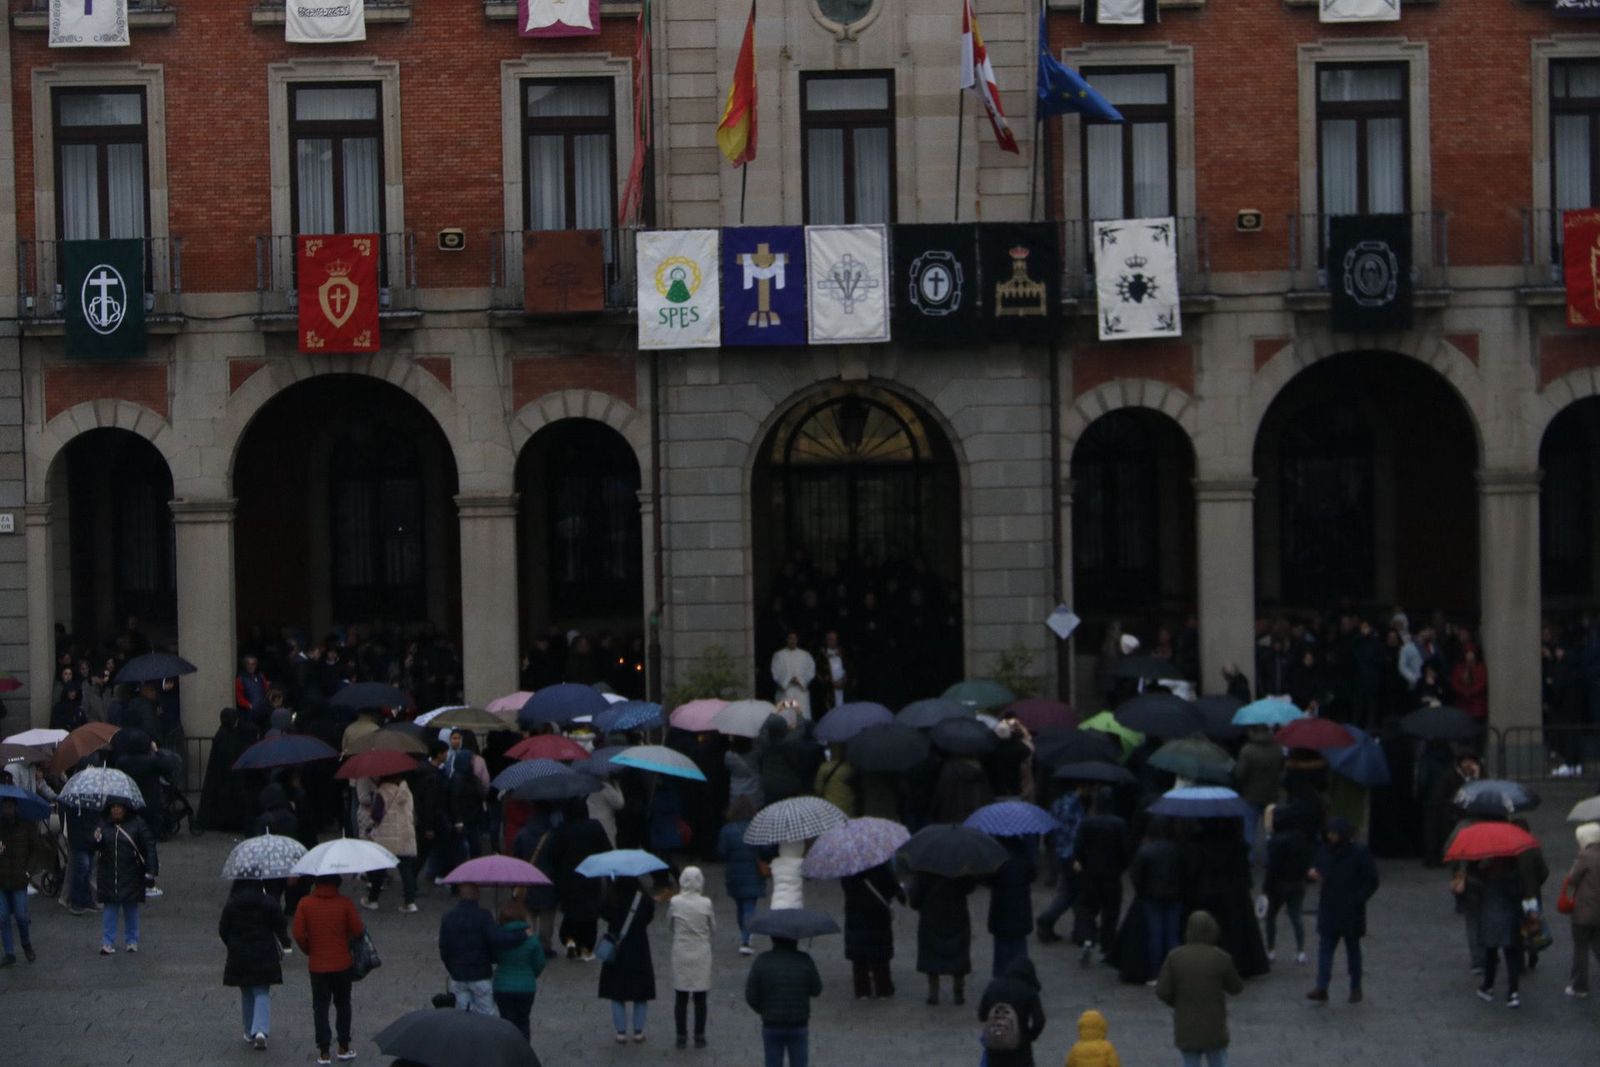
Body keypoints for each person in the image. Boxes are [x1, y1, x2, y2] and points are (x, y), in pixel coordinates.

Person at [1305, 816, 1379, 1004]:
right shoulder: (1325, 850)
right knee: (1326, 948)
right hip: (1330, 906)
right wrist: (1314, 873)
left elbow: (1371, 880)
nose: (1331, 836)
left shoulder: (1359, 852)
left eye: (1334, 833)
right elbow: (1318, 868)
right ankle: (1322, 986)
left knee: (1352, 949)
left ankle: (1355, 986)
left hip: (1350, 909)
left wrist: (1357, 899)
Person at [291, 874, 364, 1065]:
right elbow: (358, 930)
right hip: (342, 963)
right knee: (343, 1004)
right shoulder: (345, 903)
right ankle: (344, 1047)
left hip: (318, 964)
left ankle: (324, 1051)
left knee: (320, 1006)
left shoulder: (305, 903)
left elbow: (298, 933)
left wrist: (309, 948)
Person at [1155, 911, 1244, 1067]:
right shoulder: (1221, 957)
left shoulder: (1174, 957)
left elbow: (1162, 991)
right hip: (1215, 1027)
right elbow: (1236, 988)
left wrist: (1177, 1002)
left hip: (1186, 1027)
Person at [218, 878, 293, 1050]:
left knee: (246, 991)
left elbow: (223, 929)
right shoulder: (268, 902)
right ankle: (260, 1029)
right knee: (261, 991)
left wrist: (232, 944)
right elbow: (280, 924)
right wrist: (286, 943)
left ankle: (249, 1030)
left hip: (239, 954)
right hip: (264, 952)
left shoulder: (232, 903)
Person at [440, 881, 530, 1015]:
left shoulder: (448, 917)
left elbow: (444, 948)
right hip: (480, 974)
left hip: (458, 975)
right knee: (487, 1017)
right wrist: (522, 934)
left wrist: (452, 968)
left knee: (460, 1017)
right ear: (477, 894)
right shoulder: (483, 916)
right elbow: (498, 939)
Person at [1071, 787, 1133, 964]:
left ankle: (1088, 937)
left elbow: (1078, 849)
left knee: (1086, 908)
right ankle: (1108, 947)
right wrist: (1119, 868)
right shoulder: (1119, 824)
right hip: (1111, 875)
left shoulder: (1087, 823)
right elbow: (1124, 852)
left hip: (1090, 874)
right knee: (1111, 911)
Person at [745, 934, 823, 1067]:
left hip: (771, 1023)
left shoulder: (763, 960)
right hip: (798, 1023)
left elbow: (751, 995)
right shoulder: (804, 960)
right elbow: (816, 990)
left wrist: (763, 1010)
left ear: (773, 939)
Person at [1263, 788, 1319, 964]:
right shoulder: (1301, 837)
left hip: (1278, 884)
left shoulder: (1276, 842)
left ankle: (1271, 950)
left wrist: (1266, 887)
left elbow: (1272, 867)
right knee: (1296, 916)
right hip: (1297, 882)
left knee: (1271, 917)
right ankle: (1300, 951)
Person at [94, 798, 157, 955]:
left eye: (119, 807)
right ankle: (107, 942)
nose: (115, 810)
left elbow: (149, 846)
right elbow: (96, 846)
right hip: (110, 874)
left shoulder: (137, 824)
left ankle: (132, 940)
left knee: (130, 907)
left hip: (131, 873)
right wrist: (96, 839)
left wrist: (151, 870)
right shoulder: (103, 825)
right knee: (110, 908)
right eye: (113, 807)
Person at [598, 877, 657, 1043]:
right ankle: (638, 1031)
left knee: (616, 992)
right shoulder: (642, 898)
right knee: (641, 992)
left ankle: (621, 1032)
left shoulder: (612, 896)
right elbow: (649, 916)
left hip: (617, 949)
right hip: (639, 949)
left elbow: (603, 912)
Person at [908, 872, 975, 1005]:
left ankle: (933, 992)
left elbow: (914, 901)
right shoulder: (960, 869)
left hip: (931, 917)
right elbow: (970, 887)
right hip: (957, 916)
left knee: (931, 954)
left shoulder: (925, 872)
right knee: (958, 953)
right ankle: (958, 991)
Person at [842, 859, 904, 999]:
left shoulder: (847, 869)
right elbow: (891, 888)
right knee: (880, 951)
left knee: (859, 954)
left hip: (855, 913)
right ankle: (883, 988)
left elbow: (846, 889)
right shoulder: (880, 866)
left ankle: (862, 990)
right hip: (878, 913)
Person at [669, 866, 716, 1049]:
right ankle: (700, 1035)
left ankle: (681, 1035)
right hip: (701, 951)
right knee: (700, 995)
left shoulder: (675, 901)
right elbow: (713, 927)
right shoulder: (706, 903)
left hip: (681, 950)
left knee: (680, 995)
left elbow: (669, 924)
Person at [1473, 856, 1527, 1007]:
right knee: (1511, 956)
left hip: (1489, 917)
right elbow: (1519, 894)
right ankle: (1513, 992)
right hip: (1509, 918)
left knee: (1491, 953)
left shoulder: (1484, 873)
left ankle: (1488, 987)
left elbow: (1476, 894)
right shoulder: (1512, 873)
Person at [1233, 724, 1285, 879]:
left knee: (1249, 828)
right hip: (1271, 794)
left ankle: (1248, 859)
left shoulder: (1247, 750)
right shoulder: (1278, 749)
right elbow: (1282, 770)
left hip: (1250, 795)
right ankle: (1272, 858)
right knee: (1270, 828)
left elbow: (1240, 774)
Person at [361, 773, 418, 912]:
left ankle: (373, 900)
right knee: (406, 870)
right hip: (405, 834)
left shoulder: (383, 791)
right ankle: (410, 902)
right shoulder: (406, 790)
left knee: (379, 869)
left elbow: (377, 815)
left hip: (387, 836)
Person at [976, 956, 1046, 1067]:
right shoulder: (1029, 990)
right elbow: (1039, 1021)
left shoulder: (993, 986)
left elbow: (982, 1015)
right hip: (1020, 1046)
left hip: (996, 1042)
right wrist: (1029, 1036)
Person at [0, 796, 44, 965]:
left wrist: (27, 872)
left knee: (21, 916)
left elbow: (35, 849)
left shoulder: (27, 826)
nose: (7, 811)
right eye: (5, 808)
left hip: (19, 879)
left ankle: (26, 943)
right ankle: (9, 952)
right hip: (2, 879)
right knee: (3, 917)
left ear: (16, 809)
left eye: (10, 808)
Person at [717, 796, 765, 953]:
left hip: (734, 874)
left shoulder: (727, 830)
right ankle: (746, 938)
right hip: (753, 872)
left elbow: (721, 852)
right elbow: (767, 849)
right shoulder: (757, 828)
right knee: (749, 906)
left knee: (740, 906)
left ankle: (745, 934)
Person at [493, 899, 546, 1040]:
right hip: (526, 987)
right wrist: (530, 974)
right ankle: (523, 1053)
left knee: (505, 1022)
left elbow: (493, 956)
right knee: (523, 1021)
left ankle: (507, 1052)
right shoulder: (532, 940)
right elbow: (540, 963)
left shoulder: (498, 938)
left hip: (502, 985)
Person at [987, 835, 1037, 977]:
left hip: (1000, 910)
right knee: (1019, 945)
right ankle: (1021, 975)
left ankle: (1001, 975)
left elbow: (987, 879)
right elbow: (1032, 875)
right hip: (1021, 910)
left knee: (1001, 946)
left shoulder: (996, 859)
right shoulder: (1024, 857)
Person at [1564, 821, 1600, 997]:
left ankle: (1579, 985)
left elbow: (1572, 879)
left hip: (1585, 911)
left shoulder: (1586, 856)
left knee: (1581, 948)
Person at [770, 631, 816, 720]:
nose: (792, 641)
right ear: (787, 640)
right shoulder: (779, 655)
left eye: (794, 639)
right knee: (786, 716)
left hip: (800, 692)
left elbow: (811, 671)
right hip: (786, 692)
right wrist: (788, 679)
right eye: (790, 639)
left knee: (802, 716)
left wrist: (800, 680)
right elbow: (776, 672)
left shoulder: (805, 655)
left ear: (797, 640)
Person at [816, 630, 851, 711]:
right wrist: (831, 683)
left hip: (843, 690)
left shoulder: (844, 653)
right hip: (829, 692)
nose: (832, 641)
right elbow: (819, 673)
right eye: (830, 639)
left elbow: (849, 670)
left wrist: (844, 681)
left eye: (834, 639)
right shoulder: (822, 656)